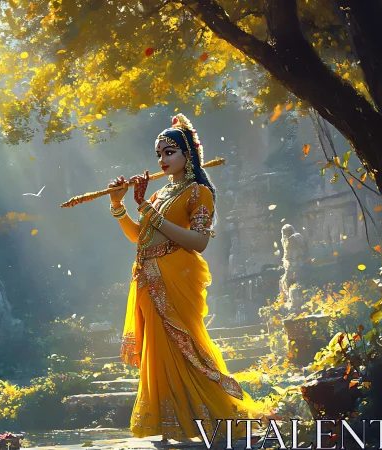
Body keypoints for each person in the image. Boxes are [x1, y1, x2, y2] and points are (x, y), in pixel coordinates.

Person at [108, 114, 267, 445]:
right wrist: (118, 205)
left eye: (169, 152)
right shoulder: (161, 194)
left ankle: (210, 416)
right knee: (158, 351)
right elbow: (140, 237)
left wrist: (146, 209)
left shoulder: (199, 193)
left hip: (176, 279)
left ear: (188, 156)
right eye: (159, 154)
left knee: (183, 348)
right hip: (148, 279)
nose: (162, 160)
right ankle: (171, 424)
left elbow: (198, 241)